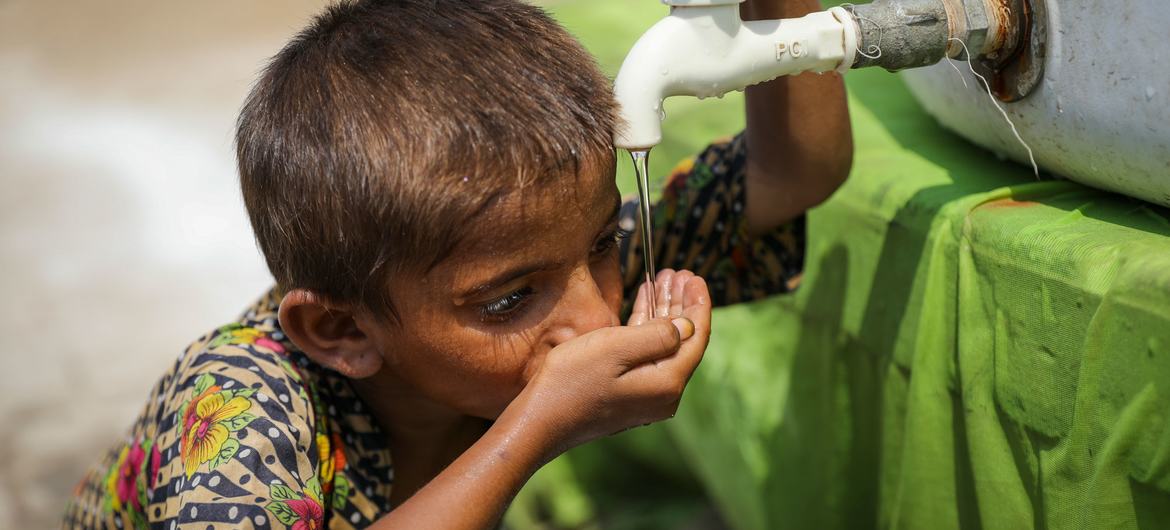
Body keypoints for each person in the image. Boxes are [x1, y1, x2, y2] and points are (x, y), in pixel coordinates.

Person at [62, 0, 851, 527]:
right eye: (508, 302)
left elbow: (791, 175)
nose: (590, 319)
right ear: (339, 329)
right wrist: (537, 429)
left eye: (604, 243)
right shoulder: (245, 397)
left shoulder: (542, 260)